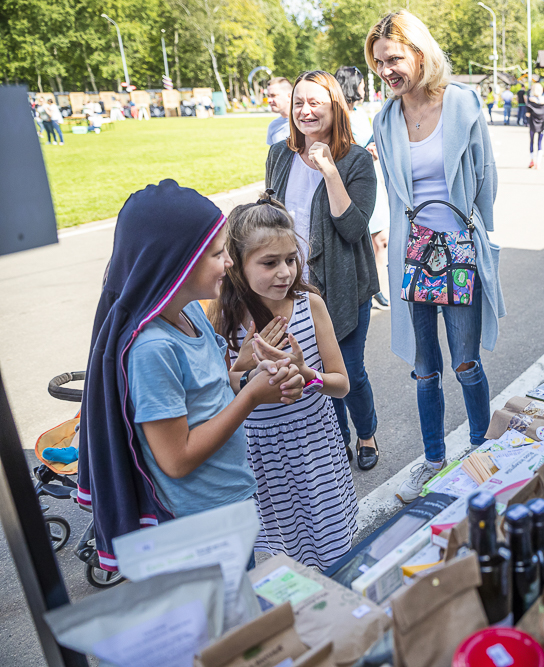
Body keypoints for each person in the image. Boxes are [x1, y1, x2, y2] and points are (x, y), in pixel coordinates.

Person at [77, 180, 305, 571]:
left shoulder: (191, 313)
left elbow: (214, 393)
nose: (229, 262)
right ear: (176, 262)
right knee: (229, 628)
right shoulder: (153, 349)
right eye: (218, 253)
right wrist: (252, 398)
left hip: (226, 506)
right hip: (199, 529)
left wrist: (253, 377)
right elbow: (176, 459)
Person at [367, 11, 505, 503]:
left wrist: (484, 237)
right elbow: (387, 188)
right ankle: (431, 459)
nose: (386, 70)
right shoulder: (385, 118)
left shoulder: (462, 103)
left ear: (420, 55)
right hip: (413, 255)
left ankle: (480, 449)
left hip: (461, 250)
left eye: (395, 59)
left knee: (466, 363)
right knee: (426, 369)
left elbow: (485, 174)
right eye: (379, 62)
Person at [209, 193, 357, 569]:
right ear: (238, 266)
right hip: (263, 452)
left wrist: (307, 375)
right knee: (285, 551)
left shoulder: (311, 305)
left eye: (291, 260)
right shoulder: (223, 317)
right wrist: (239, 369)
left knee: (332, 540)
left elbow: (342, 384)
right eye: (269, 263)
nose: (285, 273)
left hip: (314, 442)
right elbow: (218, 393)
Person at [265, 71, 382, 471]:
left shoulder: (356, 162)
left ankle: (366, 433)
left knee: (348, 372)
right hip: (294, 289)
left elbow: (352, 228)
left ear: (335, 106)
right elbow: (271, 216)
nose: (305, 110)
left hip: (344, 288)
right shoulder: (280, 155)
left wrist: (330, 171)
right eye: (299, 102)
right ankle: (338, 440)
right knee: (314, 372)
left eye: (316, 102)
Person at [334, 65, 392, 312]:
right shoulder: (338, 115)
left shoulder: (359, 113)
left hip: (371, 177)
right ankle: (369, 288)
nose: (364, 86)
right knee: (365, 239)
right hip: (351, 183)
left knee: (381, 239)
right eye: (361, 82)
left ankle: (376, 286)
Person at [526, 83, 544, 169]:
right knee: (540, 143)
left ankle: (532, 160)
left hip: (533, 123)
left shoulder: (530, 101)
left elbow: (527, 114)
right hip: (542, 124)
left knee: (532, 141)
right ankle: (538, 163)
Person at [266, 77, 293, 145]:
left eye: (273, 95)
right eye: (268, 96)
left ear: (289, 96)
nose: (269, 100)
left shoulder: (303, 123)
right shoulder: (273, 126)